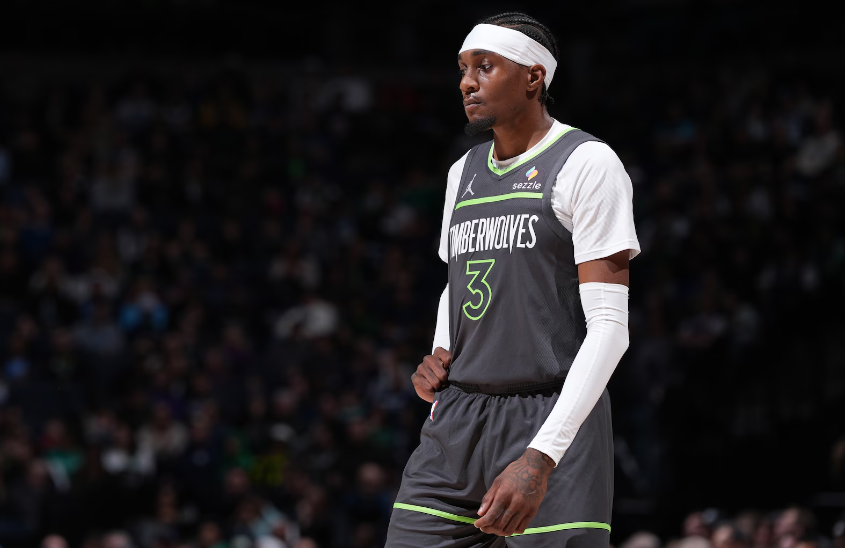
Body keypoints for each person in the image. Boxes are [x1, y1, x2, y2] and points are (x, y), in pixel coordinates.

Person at [385, 12, 640, 548]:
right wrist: (441, 349)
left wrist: (542, 456)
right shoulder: (462, 171)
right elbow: (456, 281)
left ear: (533, 77)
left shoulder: (588, 162)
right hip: (459, 417)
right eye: (462, 69)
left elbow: (610, 328)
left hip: (551, 416)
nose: (466, 82)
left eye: (485, 66)